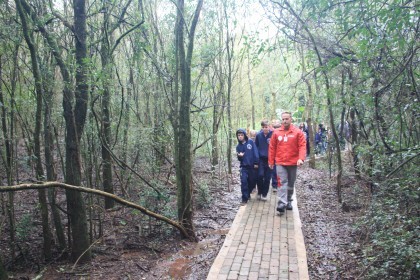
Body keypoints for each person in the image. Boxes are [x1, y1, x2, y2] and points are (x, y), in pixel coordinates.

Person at [268, 112, 306, 213]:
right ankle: (282, 202)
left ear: (291, 119)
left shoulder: (297, 132)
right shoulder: (276, 133)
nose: (284, 121)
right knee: (282, 182)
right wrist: (271, 161)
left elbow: (302, 146)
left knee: (291, 183)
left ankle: (289, 199)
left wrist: (301, 158)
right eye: (283, 119)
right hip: (280, 162)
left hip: (293, 162)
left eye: (286, 119)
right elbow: (272, 148)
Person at [236, 129, 259, 205]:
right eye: (238, 135)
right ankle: (244, 199)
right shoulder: (238, 146)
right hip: (244, 167)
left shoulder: (250, 142)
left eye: (241, 135)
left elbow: (255, 152)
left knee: (252, 182)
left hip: (252, 166)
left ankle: (248, 193)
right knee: (244, 182)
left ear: (245, 135)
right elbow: (239, 158)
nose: (240, 137)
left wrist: (256, 162)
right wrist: (240, 156)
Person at [255, 120, 273, 201]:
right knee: (260, 175)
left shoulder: (273, 135)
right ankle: (260, 191)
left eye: (266, 127)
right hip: (261, 159)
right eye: (263, 127)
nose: (265, 129)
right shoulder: (258, 135)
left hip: (270, 160)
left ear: (269, 127)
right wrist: (256, 159)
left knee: (267, 177)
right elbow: (256, 147)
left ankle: (264, 193)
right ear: (261, 128)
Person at [270, 119, 281, 192]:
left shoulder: (282, 133)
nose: (276, 129)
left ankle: (279, 184)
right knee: (274, 171)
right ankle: (274, 185)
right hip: (273, 155)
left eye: (277, 127)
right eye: (275, 127)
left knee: (280, 171)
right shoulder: (270, 133)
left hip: (280, 155)